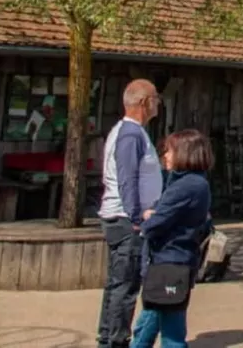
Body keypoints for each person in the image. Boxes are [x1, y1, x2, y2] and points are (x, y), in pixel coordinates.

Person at [132, 130, 214, 348]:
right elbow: (161, 210)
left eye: (169, 151)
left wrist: (148, 220)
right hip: (169, 262)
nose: (165, 156)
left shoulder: (188, 186)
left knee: (171, 333)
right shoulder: (184, 182)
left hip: (171, 262)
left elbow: (156, 222)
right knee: (150, 320)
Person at [96, 79, 163, 348]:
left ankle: (108, 338)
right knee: (125, 287)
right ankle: (115, 340)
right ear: (144, 102)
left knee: (118, 284)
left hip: (125, 218)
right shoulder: (130, 134)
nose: (158, 103)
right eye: (156, 98)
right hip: (126, 221)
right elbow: (127, 177)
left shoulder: (131, 133)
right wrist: (136, 218)